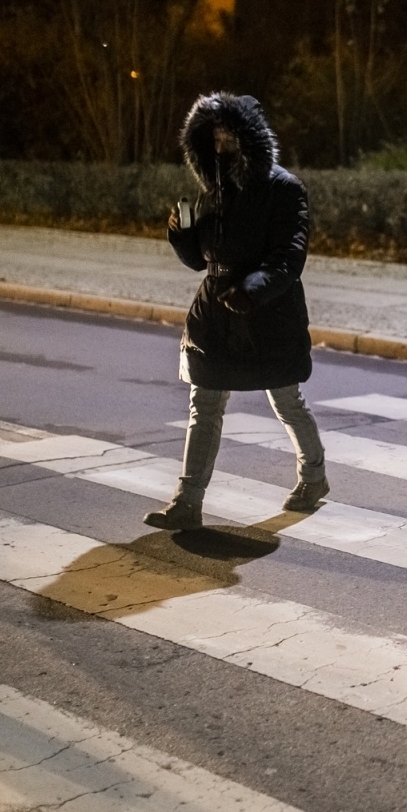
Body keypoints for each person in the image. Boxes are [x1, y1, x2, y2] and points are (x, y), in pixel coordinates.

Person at [144, 92, 327, 531]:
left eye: (229, 134)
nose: (221, 143)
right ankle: (187, 501)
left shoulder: (284, 187)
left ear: (250, 138)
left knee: (286, 401)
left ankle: (314, 476)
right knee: (204, 404)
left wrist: (254, 289)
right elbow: (198, 260)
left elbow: (290, 254)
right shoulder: (216, 189)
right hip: (215, 311)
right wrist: (182, 234)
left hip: (267, 314)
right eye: (215, 136)